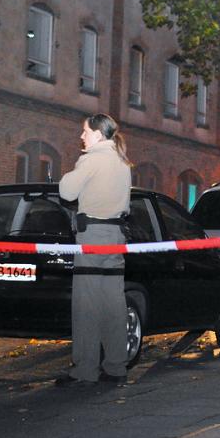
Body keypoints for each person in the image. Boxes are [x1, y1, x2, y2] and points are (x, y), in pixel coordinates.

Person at [56, 113, 132, 387]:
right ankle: (115, 366)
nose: (82, 136)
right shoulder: (123, 162)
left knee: (86, 303)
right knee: (113, 302)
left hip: (92, 236)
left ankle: (85, 369)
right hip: (116, 236)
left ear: (98, 134)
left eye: (85, 131)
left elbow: (66, 192)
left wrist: (71, 171)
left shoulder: (92, 158)